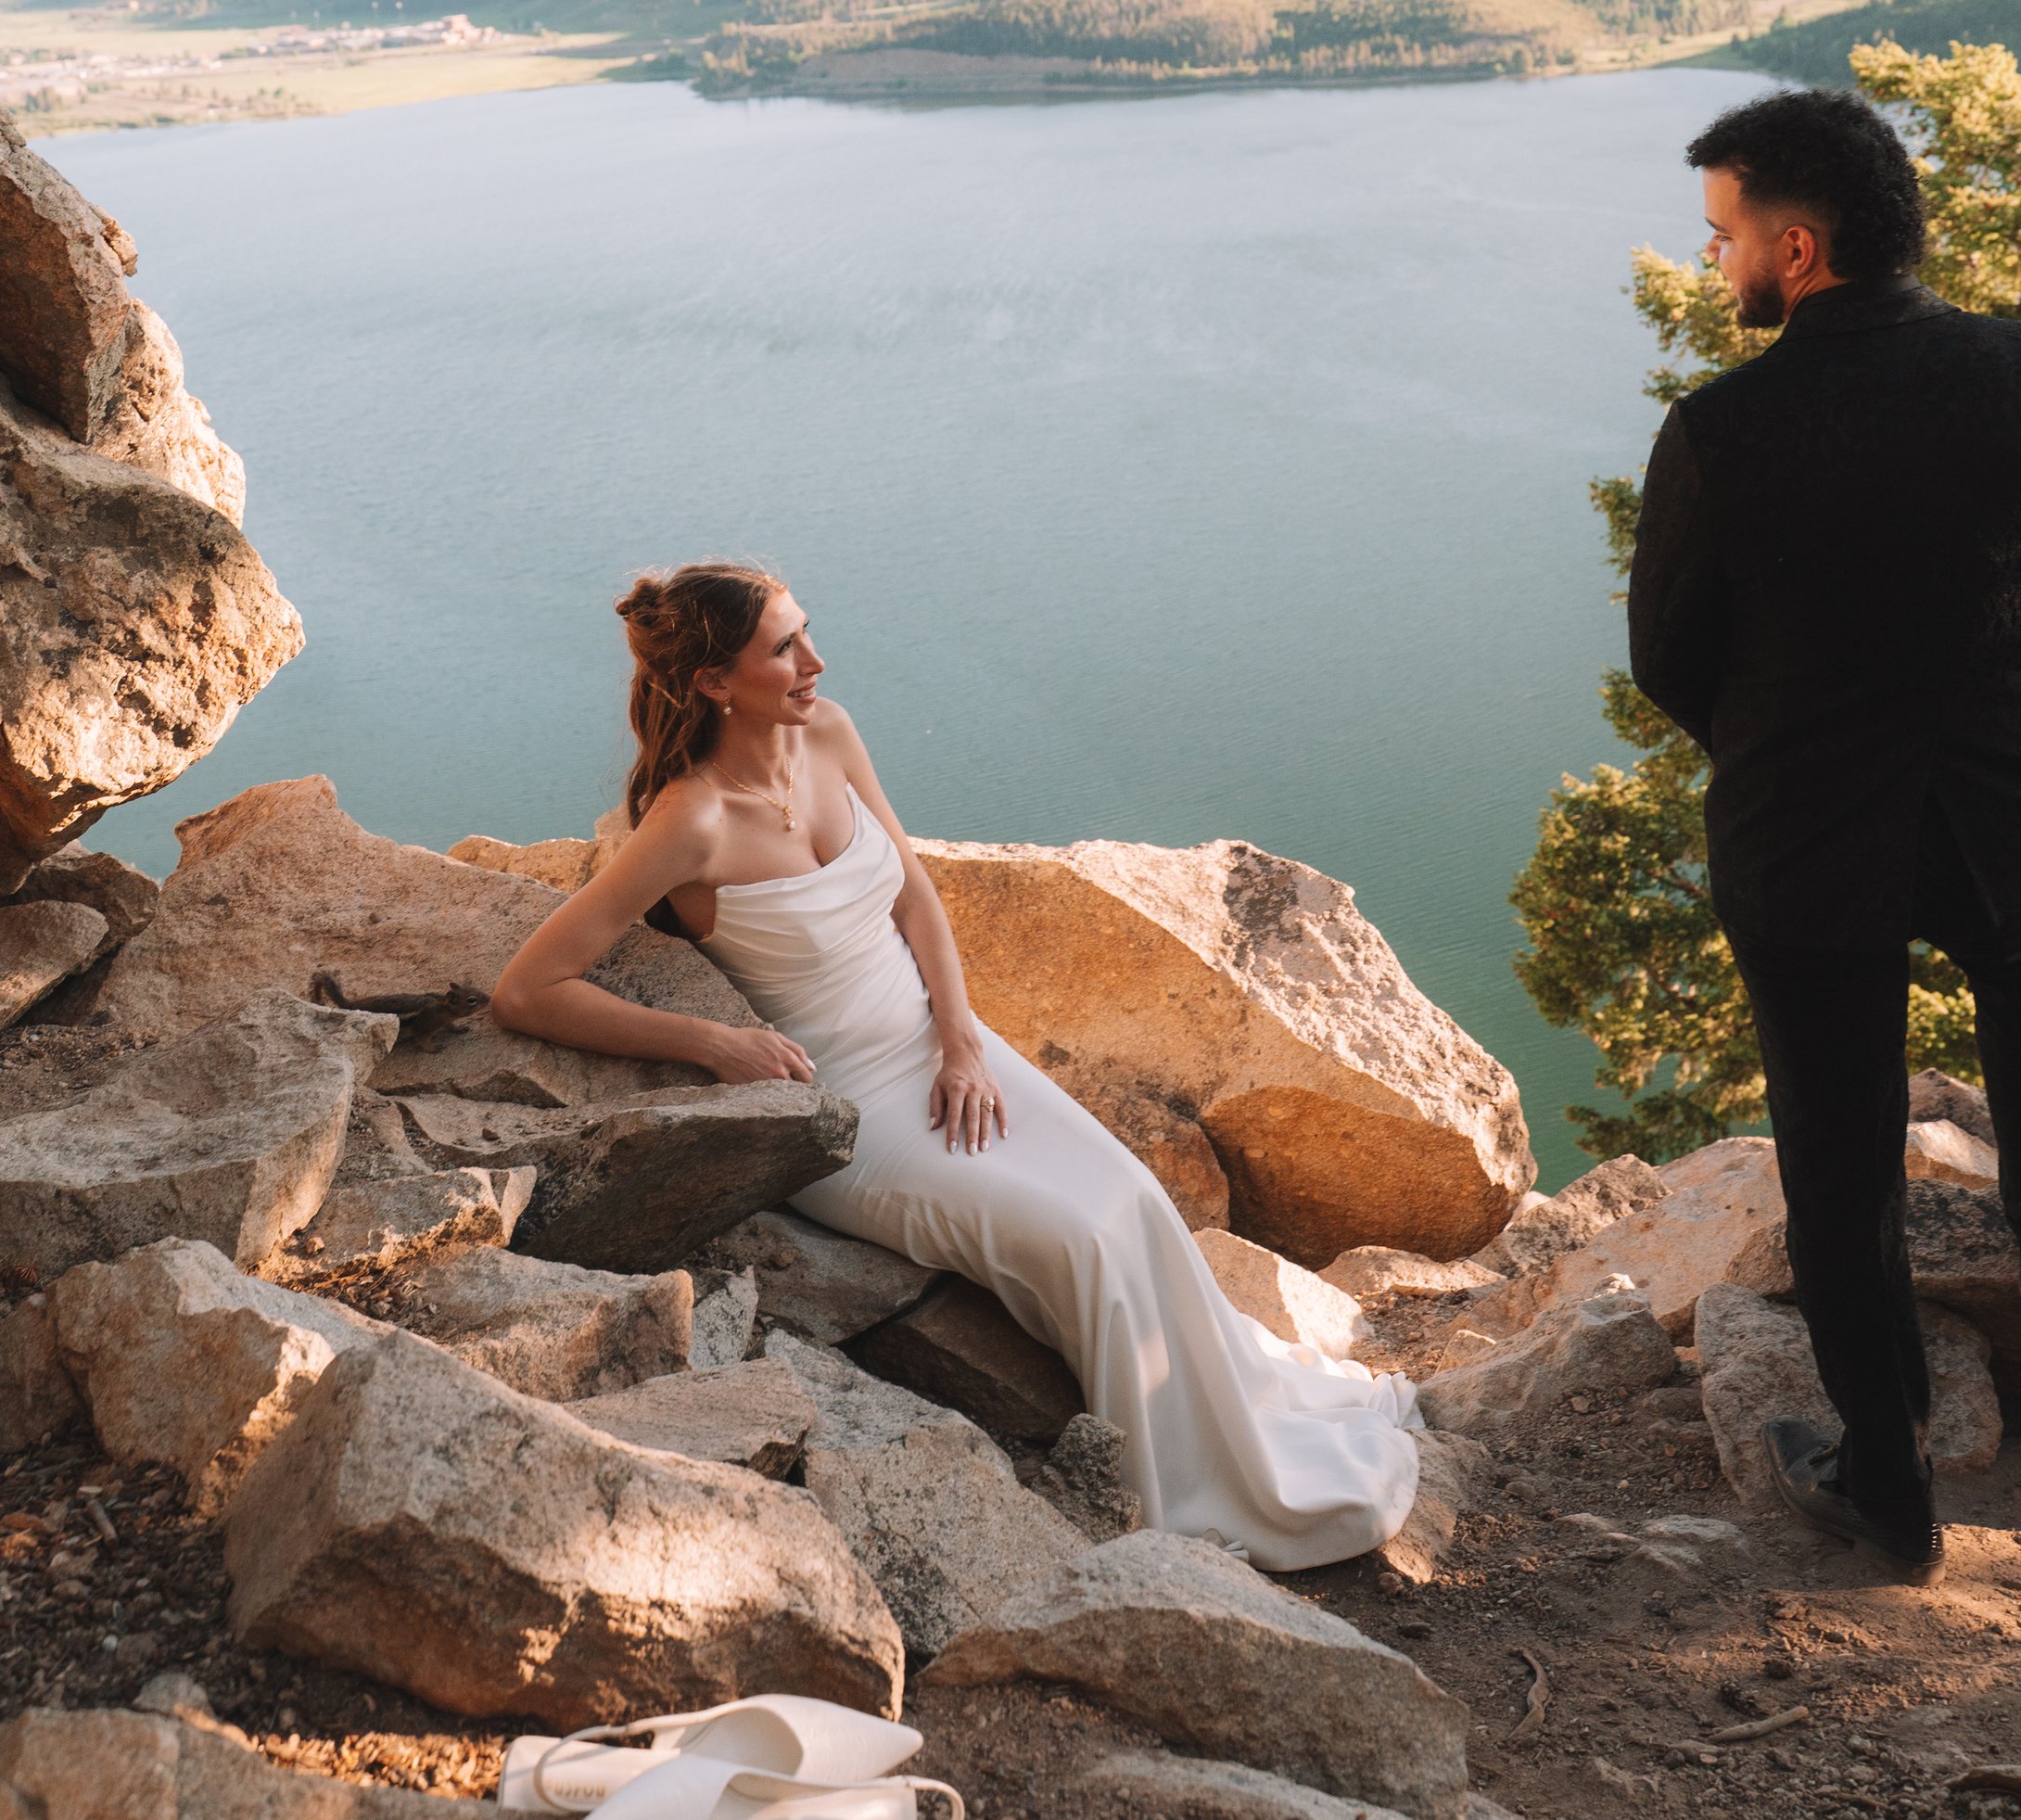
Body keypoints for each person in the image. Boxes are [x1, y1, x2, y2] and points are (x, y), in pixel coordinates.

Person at [489, 561, 1425, 1571]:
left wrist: (965, 1040)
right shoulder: (690, 822)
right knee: (1079, 1240)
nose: (814, 661)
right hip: (854, 1115)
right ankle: (1196, 1491)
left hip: (950, 1052)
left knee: (1139, 1199)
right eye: (784, 648)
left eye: (806, 634)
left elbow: (917, 898)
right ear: (716, 681)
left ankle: (1246, 1407)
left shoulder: (830, 732)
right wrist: (715, 1042)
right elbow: (529, 987)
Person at [1626, 86, 2021, 1581]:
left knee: (1841, 1163)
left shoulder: (1724, 429)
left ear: (1800, 241)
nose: (1716, 266)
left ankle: (1890, 1492)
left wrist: (1781, 739)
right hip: (1985, 792)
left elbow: (1667, 657)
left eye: (1724, 240)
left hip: (1802, 826)